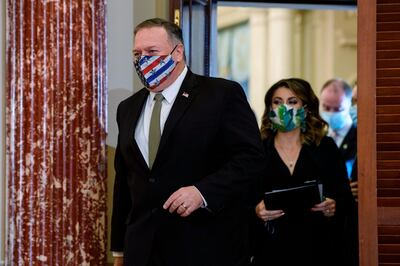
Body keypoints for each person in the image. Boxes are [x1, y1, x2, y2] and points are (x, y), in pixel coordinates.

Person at [110, 18, 266, 266]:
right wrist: (119, 250)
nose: (143, 60)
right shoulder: (128, 108)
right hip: (143, 250)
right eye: (137, 53)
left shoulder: (220, 95)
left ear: (178, 52)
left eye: (152, 52)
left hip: (203, 245)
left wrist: (202, 192)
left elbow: (251, 160)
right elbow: (124, 180)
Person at [251, 78, 355, 266]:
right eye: (277, 102)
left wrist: (334, 205)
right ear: (269, 108)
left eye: (292, 102)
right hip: (271, 250)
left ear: (306, 108)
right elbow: (241, 200)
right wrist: (256, 210)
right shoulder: (257, 151)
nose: (284, 108)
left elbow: (346, 200)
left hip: (319, 248)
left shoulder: (325, 147)